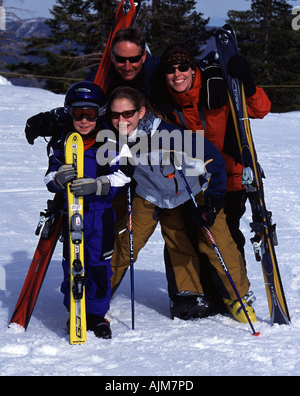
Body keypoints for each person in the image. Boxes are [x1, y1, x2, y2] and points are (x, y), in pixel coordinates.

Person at [25, 27, 210, 319]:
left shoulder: (159, 77)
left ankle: (185, 295)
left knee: (180, 232)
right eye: (121, 59)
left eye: (134, 59)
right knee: (119, 234)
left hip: (163, 166)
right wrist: (53, 119)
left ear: (143, 55)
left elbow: (184, 97)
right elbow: (82, 105)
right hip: (118, 163)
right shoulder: (104, 79)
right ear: (112, 57)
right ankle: (100, 291)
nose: (127, 65)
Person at [107, 86, 257, 324]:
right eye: (115, 115)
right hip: (151, 194)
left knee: (216, 241)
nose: (120, 120)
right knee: (130, 243)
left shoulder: (169, 135)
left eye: (127, 114)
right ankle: (98, 295)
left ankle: (239, 297)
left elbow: (213, 160)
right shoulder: (118, 136)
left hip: (192, 191)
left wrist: (215, 197)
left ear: (141, 112)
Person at [151, 42, 271, 261]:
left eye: (183, 67)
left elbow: (260, 109)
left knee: (228, 234)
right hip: (196, 182)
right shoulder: (165, 102)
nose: (177, 74)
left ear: (193, 68)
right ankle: (206, 291)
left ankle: (235, 288)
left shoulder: (217, 86)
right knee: (196, 236)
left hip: (232, 178)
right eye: (170, 69)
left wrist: (248, 83)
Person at [44, 81, 133, 339]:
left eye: (90, 114)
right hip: (72, 214)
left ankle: (96, 314)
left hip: (101, 214)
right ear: (69, 113)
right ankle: (75, 310)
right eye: (78, 113)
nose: (84, 120)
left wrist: (100, 184)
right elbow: (48, 176)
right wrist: (57, 179)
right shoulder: (61, 142)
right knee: (72, 263)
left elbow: (125, 175)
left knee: (98, 266)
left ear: (100, 113)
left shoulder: (112, 141)